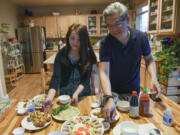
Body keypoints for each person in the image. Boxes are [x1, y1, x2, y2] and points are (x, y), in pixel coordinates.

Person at [99, 2, 161, 122]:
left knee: (133, 122)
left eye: (117, 24)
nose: (113, 30)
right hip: (113, 92)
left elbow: (149, 59)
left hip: (133, 92)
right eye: (109, 26)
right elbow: (104, 72)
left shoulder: (141, 37)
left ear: (127, 19)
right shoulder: (105, 43)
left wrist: (154, 78)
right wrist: (109, 97)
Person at [43, 24, 97, 112]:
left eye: (79, 40)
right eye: (72, 38)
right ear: (68, 37)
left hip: (83, 96)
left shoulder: (87, 55)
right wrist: (49, 97)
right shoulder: (61, 55)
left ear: (83, 41)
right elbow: (56, 78)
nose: (75, 42)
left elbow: (86, 80)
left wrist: (76, 93)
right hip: (66, 97)